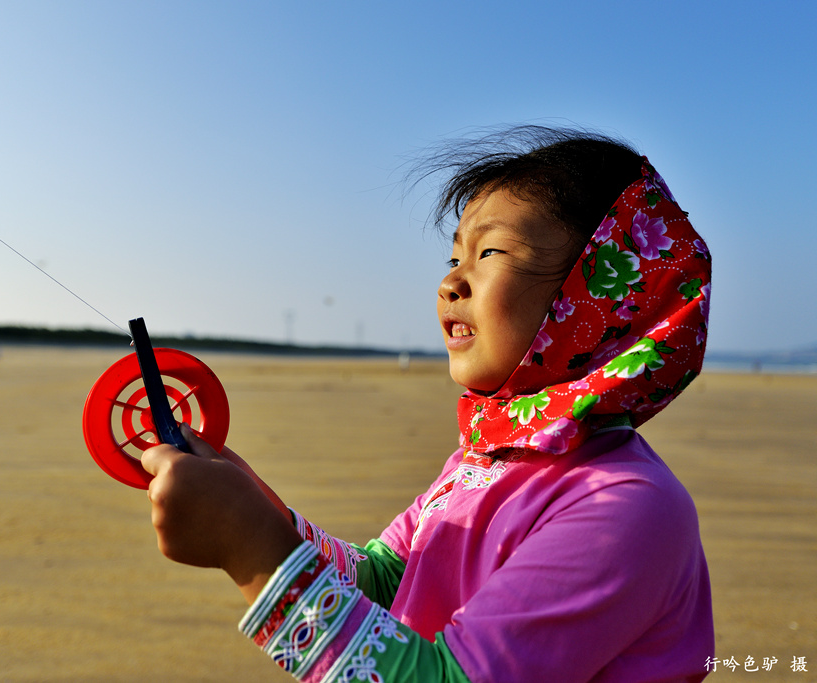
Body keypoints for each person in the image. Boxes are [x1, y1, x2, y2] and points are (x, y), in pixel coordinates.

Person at [140, 126, 715, 682]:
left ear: (599, 295)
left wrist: (251, 548)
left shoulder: (628, 508)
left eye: (489, 251)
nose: (452, 283)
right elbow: (386, 579)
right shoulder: (487, 461)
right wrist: (253, 502)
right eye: (452, 259)